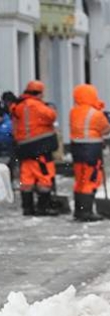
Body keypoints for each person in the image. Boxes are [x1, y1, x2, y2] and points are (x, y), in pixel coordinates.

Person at [9, 81, 60, 216]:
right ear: (39, 92)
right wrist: (50, 108)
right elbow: (52, 116)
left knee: (27, 178)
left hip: (24, 148)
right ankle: (43, 207)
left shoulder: (18, 106)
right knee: (44, 176)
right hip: (40, 147)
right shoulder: (36, 105)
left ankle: (27, 207)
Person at [69, 84, 110, 221]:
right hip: (92, 150)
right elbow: (106, 129)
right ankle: (86, 212)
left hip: (76, 149)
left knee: (80, 180)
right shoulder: (96, 113)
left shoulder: (73, 112)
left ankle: (78, 210)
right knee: (91, 179)